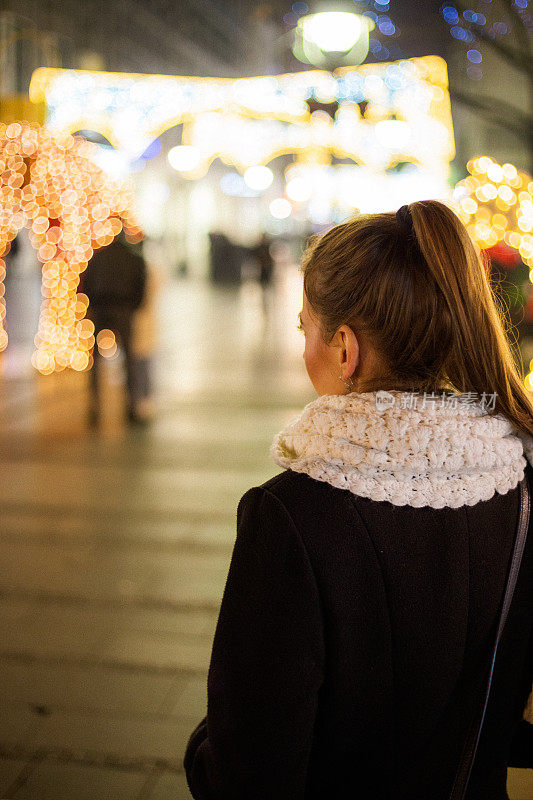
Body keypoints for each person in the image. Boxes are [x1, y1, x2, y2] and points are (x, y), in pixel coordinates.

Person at [183, 200, 533, 799]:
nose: (303, 350)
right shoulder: (521, 484)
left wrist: (201, 749)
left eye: (304, 330)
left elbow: (251, 773)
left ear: (345, 349)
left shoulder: (291, 515)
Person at [80, 230, 147, 425]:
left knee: (96, 362)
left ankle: (94, 405)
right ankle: (131, 405)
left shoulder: (99, 257)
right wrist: (134, 306)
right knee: (129, 359)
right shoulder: (132, 257)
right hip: (124, 309)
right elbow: (140, 283)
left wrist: (93, 305)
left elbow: (87, 282)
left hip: (101, 308)